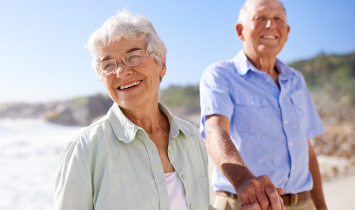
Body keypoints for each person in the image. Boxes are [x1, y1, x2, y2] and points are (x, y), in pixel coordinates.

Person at [53, 10, 211, 210]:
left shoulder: (192, 137)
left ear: (161, 64)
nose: (121, 72)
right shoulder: (84, 148)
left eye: (134, 56)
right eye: (108, 64)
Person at [200, 0, 327, 209]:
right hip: (245, 203)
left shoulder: (296, 81)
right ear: (240, 31)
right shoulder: (220, 75)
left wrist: (321, 206)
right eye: (260, 18)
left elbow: (307, 150)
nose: (270, 25)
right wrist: (244, 180)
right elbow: (214, 130)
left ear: (286, 32)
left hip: (303, 203)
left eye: (278, 19)